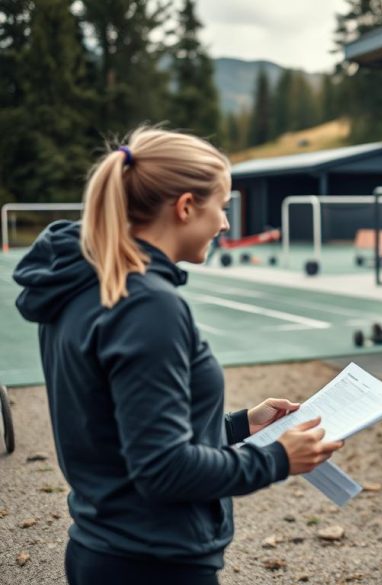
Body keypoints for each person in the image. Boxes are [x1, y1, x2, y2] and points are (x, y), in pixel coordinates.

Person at [13, 127, 344, 585]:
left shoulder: (84, 283)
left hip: (104, 548)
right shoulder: (146, 305)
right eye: (221, 208)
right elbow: (163, 469)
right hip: (154, 564)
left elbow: (122, 431)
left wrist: (239, 426)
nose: (226, 224)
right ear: (186, 207)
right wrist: (279, 459)